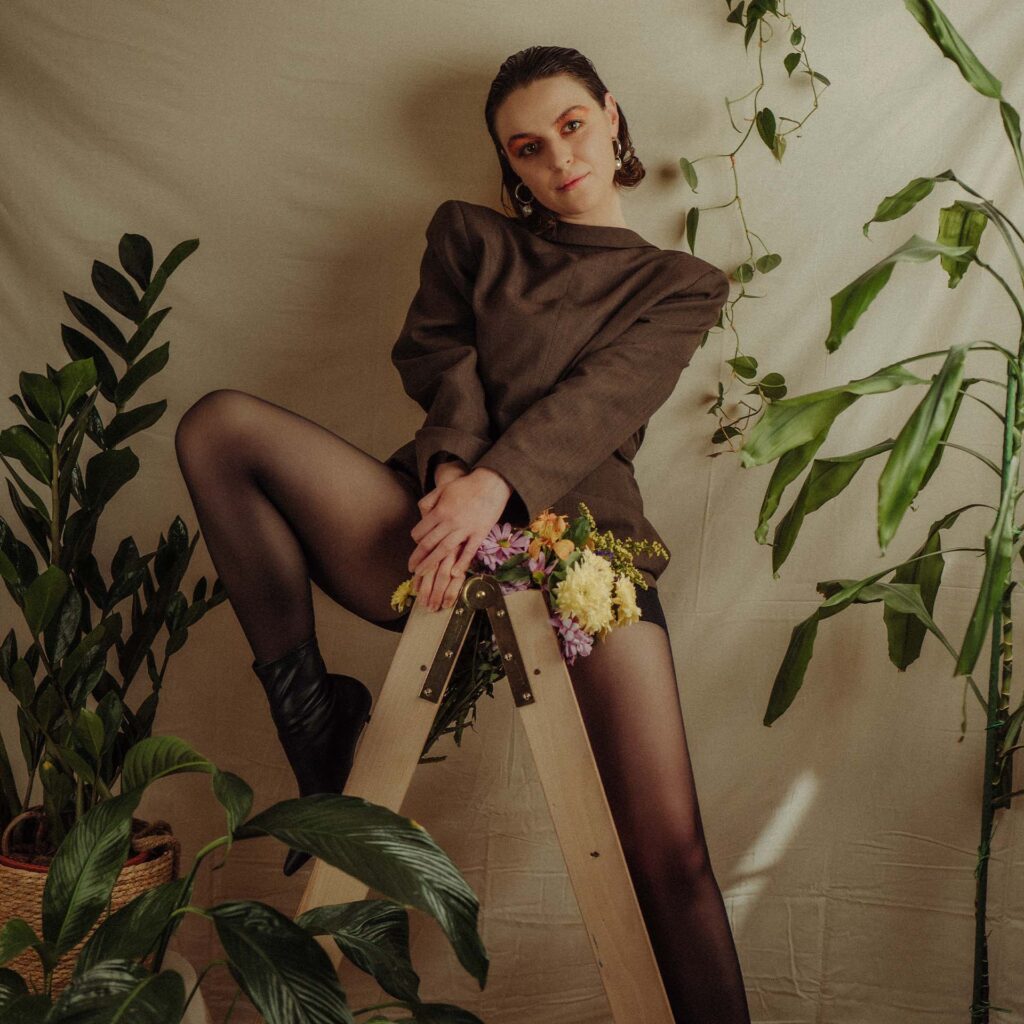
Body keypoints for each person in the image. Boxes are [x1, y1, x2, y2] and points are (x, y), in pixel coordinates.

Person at [174, 43, 749, 1023]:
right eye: (527, 147)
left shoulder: (680, 284)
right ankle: (318, 728)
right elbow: (442, 361)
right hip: (432, 537)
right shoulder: (470, 236)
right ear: (507, 164)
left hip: (587, 557)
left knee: (672, 854)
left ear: (610, 116)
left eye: (572, 126)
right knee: (217, 429)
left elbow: (601, 400)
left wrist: (496, 485)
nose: (558, 158)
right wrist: (452, 477)